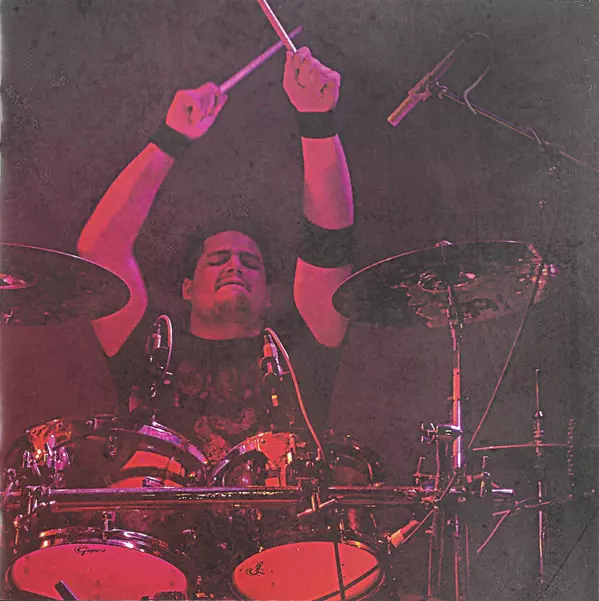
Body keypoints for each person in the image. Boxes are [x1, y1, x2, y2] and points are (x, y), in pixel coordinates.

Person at [77, 47, 355, 465]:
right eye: (218, 259)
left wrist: (318, 121)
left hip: (285, 511)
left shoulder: (294, 354)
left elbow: (330, 244)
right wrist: (170, 137)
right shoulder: (152, 348)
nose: (235, 266)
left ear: (268, 295)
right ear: (187, 288)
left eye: (251, 263)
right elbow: (99, 251)